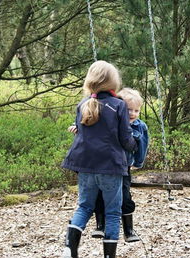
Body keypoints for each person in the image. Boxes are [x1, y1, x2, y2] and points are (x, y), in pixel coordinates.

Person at [61, 60, 137, 258]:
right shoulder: (119, 105)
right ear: (113, 82)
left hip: (85, 166)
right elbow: (124, 138)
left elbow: (83, 133)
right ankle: (108, 255)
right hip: (110, 167)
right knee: (112, 212)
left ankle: (70, 248)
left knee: (85, 206)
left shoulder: (83, 104)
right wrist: (135, 146)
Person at [91, 88, 149, 243]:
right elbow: (89, 121)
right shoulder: (110, 121)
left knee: (125, 196)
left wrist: (138, 162)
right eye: (129, 109)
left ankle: (128, 230)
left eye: (136, 110)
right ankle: (100, 226)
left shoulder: (140, 127)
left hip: (124, 167)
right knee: (100, 194)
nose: (132, 113)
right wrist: (76, 126)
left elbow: (142, 145)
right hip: (104, 165)